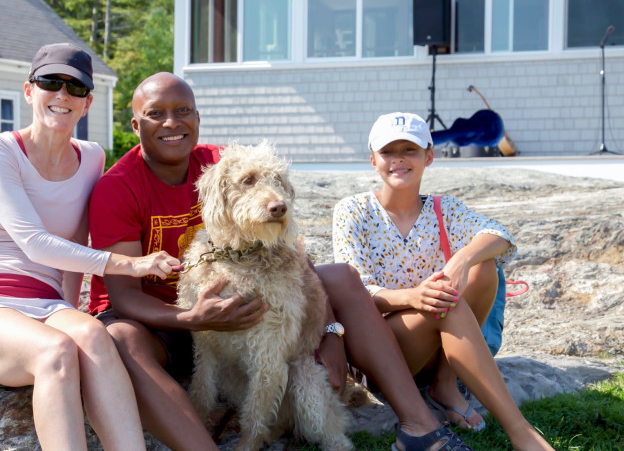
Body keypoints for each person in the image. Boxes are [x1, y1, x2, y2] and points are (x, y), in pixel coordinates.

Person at [88, 72, 472, 451]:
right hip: (159, 320)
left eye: (183, 110)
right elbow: (123, 298)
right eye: (157, 114)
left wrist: (330, 333)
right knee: (120, 337)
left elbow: (289, 249)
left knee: (340, 275)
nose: (172, 122)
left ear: (198, 119)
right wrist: (192, 318)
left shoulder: (227, 163)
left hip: (232, 305)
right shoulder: (118, 187)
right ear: (136, 124)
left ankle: (417, 423)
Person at [0, 44, 181, 451]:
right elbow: (34, 242)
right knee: (57, 351)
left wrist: (68, 310)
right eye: (50, 82)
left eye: (75, 88)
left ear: (87, 103)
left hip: (44, 303)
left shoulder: (93, 158)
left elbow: (76, 243)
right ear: (30, 91)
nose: (62, 95)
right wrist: (129, 265)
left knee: (94, 338)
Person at [329, 111, 555, 450]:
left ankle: (445, 383)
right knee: (444, 303)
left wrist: (461, 261)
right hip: (382, 352)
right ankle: (521, 433)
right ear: (373, 160)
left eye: (411, 150)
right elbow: (355, 291)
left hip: (440, 342)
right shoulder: (353, 210)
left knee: (482, 266)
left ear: (428, 156)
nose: (399, 160)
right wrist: (414, 296)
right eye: (389, 152)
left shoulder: (443, 208)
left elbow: (500, 235)